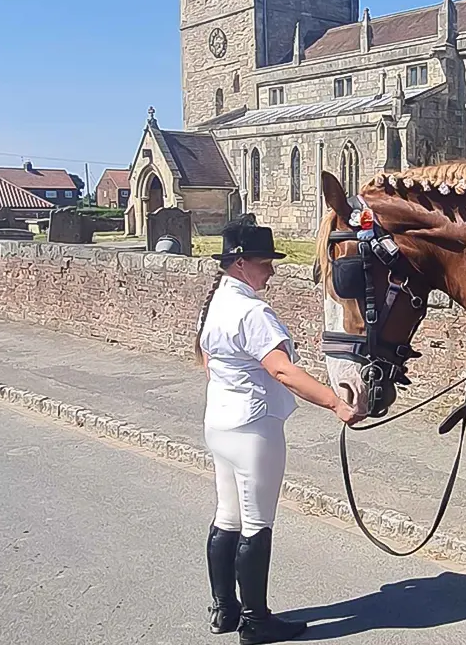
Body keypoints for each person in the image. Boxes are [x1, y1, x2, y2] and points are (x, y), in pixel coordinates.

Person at [195, 218, 360, 644]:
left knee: (227, 515)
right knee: (256, 523)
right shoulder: (252, 312)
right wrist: (335, 402)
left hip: (220, 422)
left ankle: (224, 610)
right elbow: (283, 370)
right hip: (253, 427)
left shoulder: (218, 302)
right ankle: (255, 620)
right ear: (241, 264)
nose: (271, 269)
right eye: (264, 262)